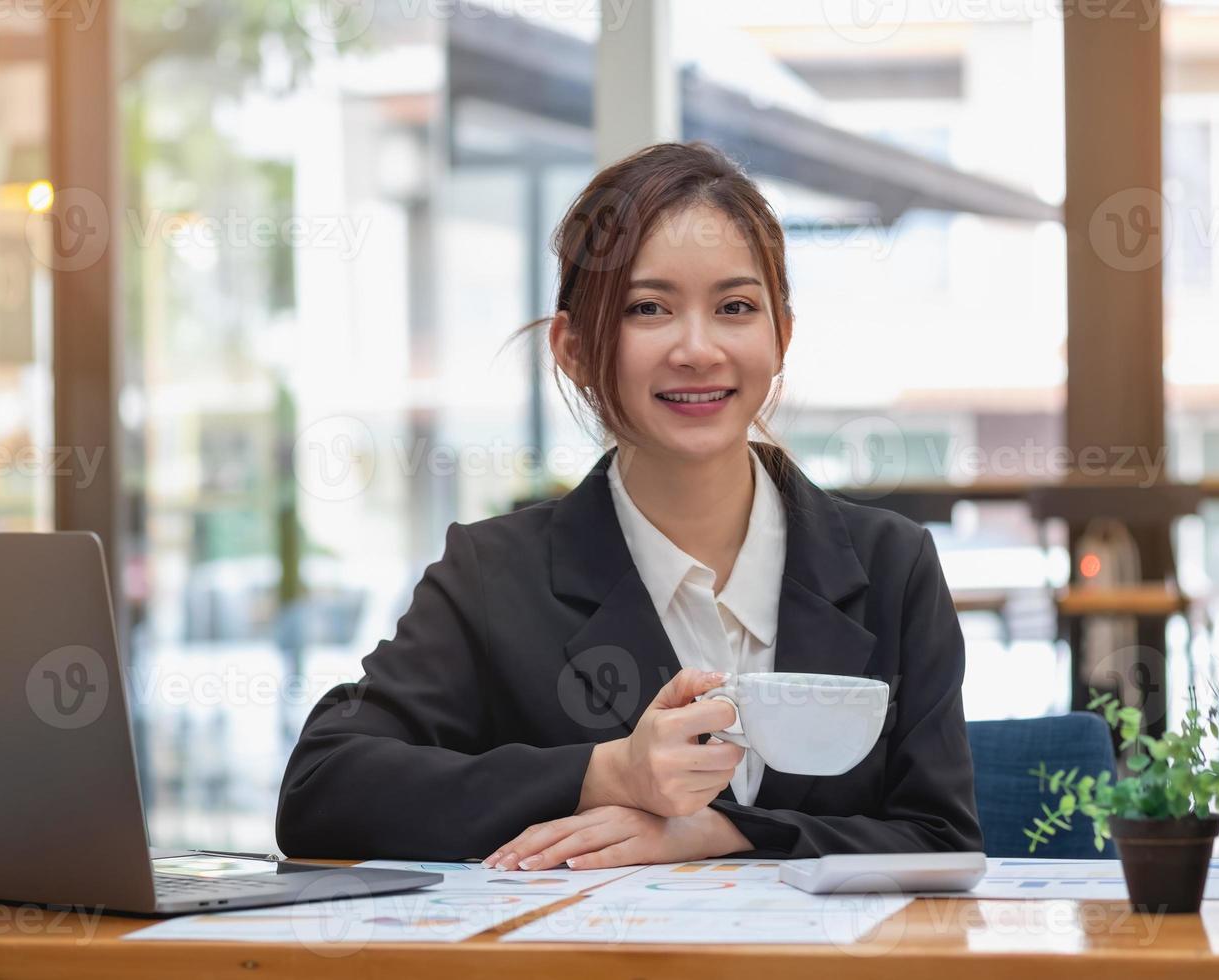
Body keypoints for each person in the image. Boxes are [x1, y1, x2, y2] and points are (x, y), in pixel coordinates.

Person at [276, 140, 982, 870]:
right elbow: (321, 790)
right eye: (649, 308)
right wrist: (605, 774)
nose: (697, 348)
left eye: (735, 307)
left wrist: (726, 833)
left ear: (782, 335)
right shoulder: (492, 576)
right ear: (574, 349)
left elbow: (942, 839)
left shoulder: (890, 565)